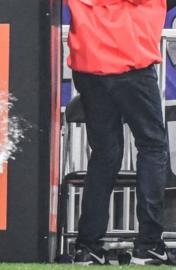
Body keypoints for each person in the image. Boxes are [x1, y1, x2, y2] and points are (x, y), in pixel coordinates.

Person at [67, 0, 170, 265]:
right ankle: (148, 245)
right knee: (152, 147)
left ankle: (87, 247)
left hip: (88, 66)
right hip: (130, 63)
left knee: (105, 153)